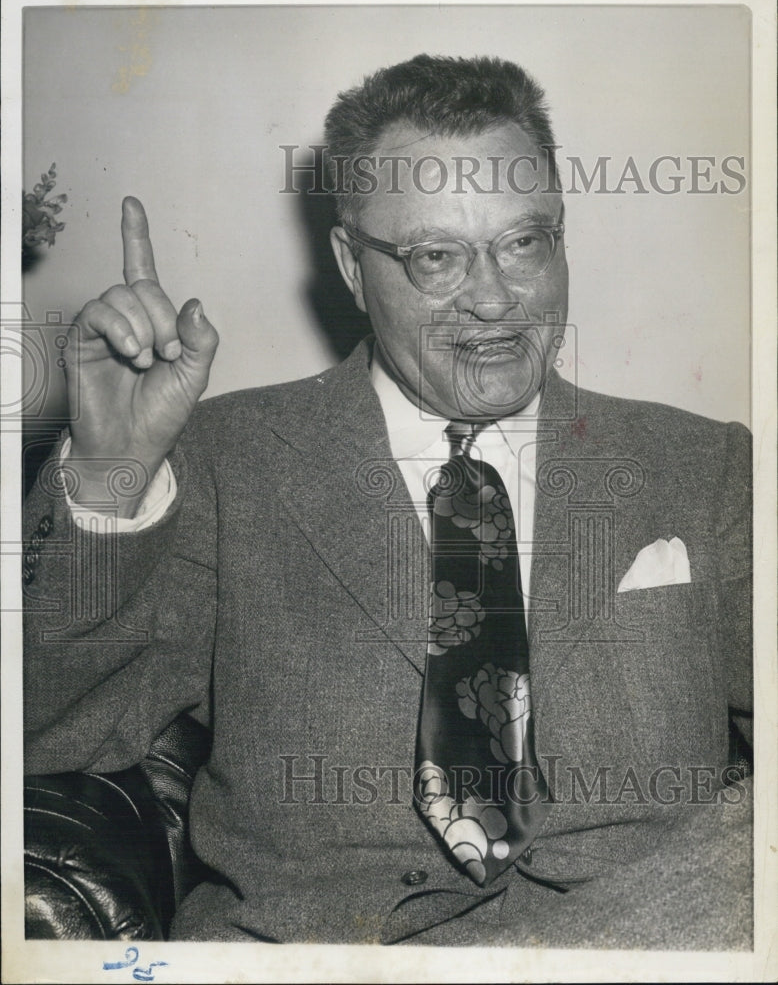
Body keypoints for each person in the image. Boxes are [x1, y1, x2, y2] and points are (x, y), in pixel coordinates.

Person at [23, 55, 752, 948]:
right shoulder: (226, 461)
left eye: (524, 242)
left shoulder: (701, 463)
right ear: (353, 266)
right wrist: (111, 478)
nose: (493, 300)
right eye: (436, 257)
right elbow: (44, 729)